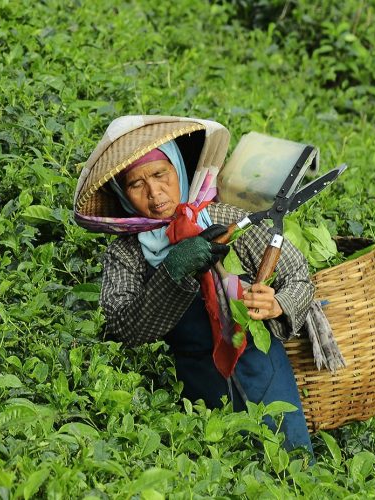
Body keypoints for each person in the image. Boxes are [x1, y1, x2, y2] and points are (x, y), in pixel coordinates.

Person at [73, 116, 314, 456]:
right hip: (199, 391)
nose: (154, 193)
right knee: (218, 468)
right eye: (136, 184)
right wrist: (173, 270)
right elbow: (123, 327)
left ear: (178, 170)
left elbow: (297, 273)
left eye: (161, 174)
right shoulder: (126, 253)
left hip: (267, 375)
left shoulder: (224, 218)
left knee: (292, 465)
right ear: (121, 194)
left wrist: (279, 303)